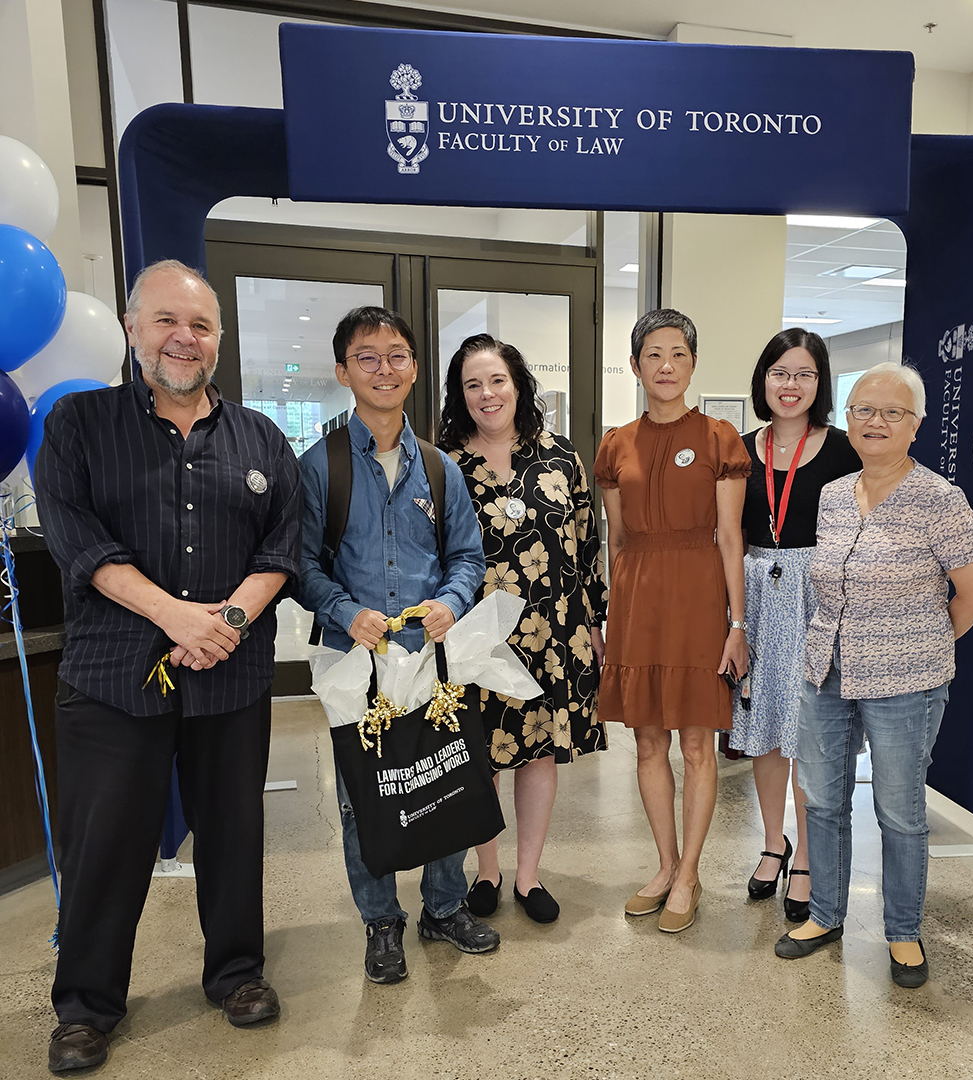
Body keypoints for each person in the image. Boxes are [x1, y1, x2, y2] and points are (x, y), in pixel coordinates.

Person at [34, 260, 301, 1074]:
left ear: (218, 338)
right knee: (104, 846)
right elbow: (78, 542)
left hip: (230, 677)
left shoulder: (259, 437)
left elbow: (280, 545)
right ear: (132, 329)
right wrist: (175, 615)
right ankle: (85, 1008)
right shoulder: (79, 426)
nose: (184, 339)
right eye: (166, 322)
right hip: (113, 678)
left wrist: (220, 623)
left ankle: (236, 973)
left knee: (232, 834)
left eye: (201, 326)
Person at [774, 361, 973, 988]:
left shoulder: (940, 500)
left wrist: (925, 646)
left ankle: (902, 931)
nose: (875, 421)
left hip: (907, 683)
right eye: (863, 410)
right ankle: (824, 914)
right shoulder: (835, 494)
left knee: (899, 811)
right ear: (849, 420)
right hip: (827, 671)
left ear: (916, 425)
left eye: (891, 412)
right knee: (823, 799)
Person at [298, 306, 496, 987]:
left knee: (445, 781)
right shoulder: (318, 467)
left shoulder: (441, 470)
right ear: (343, 370)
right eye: (368, 357)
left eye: (397, 356)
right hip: (355, 666)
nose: (384, 369)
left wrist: (451, 600)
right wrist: (344, 610)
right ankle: (381, 920)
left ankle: (444, 906)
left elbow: (468, 557)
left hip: (431, 662)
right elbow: (301, 567)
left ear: (414, 368)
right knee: (364, 797)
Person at [438, 334, 607, 924]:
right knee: (477, 753)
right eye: (473, 385)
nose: (487, 394)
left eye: (497, 381)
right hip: (475, 636)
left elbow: (587, 545)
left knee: (537, 754)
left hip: (554, 631)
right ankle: (488, 869)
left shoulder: (562, 457)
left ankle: (529, 876)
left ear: (518, 385)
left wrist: (595, 618)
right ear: (460, 396)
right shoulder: (443, 465)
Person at [594, 309, 751, 933]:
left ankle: (690, 872)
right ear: (635, 366)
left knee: (695, 742)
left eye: (678, 354)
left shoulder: (719, 438)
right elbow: (618, 539)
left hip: (698, 596)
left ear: (692, 364)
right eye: (653, 354)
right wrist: (613, 612)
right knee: (649, 741)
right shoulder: (615, 445)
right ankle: (663, 866)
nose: (665, 365)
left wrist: (737, 624)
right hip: (638, 599)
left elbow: (731, 537)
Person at [731, 329, 861, 922]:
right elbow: (726, 533)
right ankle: (771, 841)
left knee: (808, 728)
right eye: (781, 372)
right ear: (763, 379)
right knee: (762, 727)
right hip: (755, 593)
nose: (791, 385)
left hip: (817, 597)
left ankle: (806, 854)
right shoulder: (739, 448)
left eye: (804, 374)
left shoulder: (842, 450)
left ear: (820, 383)